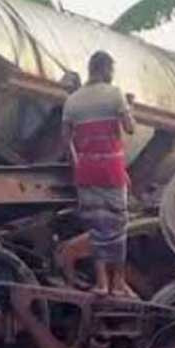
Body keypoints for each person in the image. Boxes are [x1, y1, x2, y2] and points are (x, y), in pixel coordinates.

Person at [62, 51, 138, 297]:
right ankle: (118, 283)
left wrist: (78, 164)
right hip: (111, 170)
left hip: (87, 171)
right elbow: (130, 128)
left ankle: (101, 283)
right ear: (106, 69)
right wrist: (130, 107)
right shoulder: (114, 94)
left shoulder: (72, 101)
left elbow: (66, 139)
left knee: (97, 227)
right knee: (118, 225)